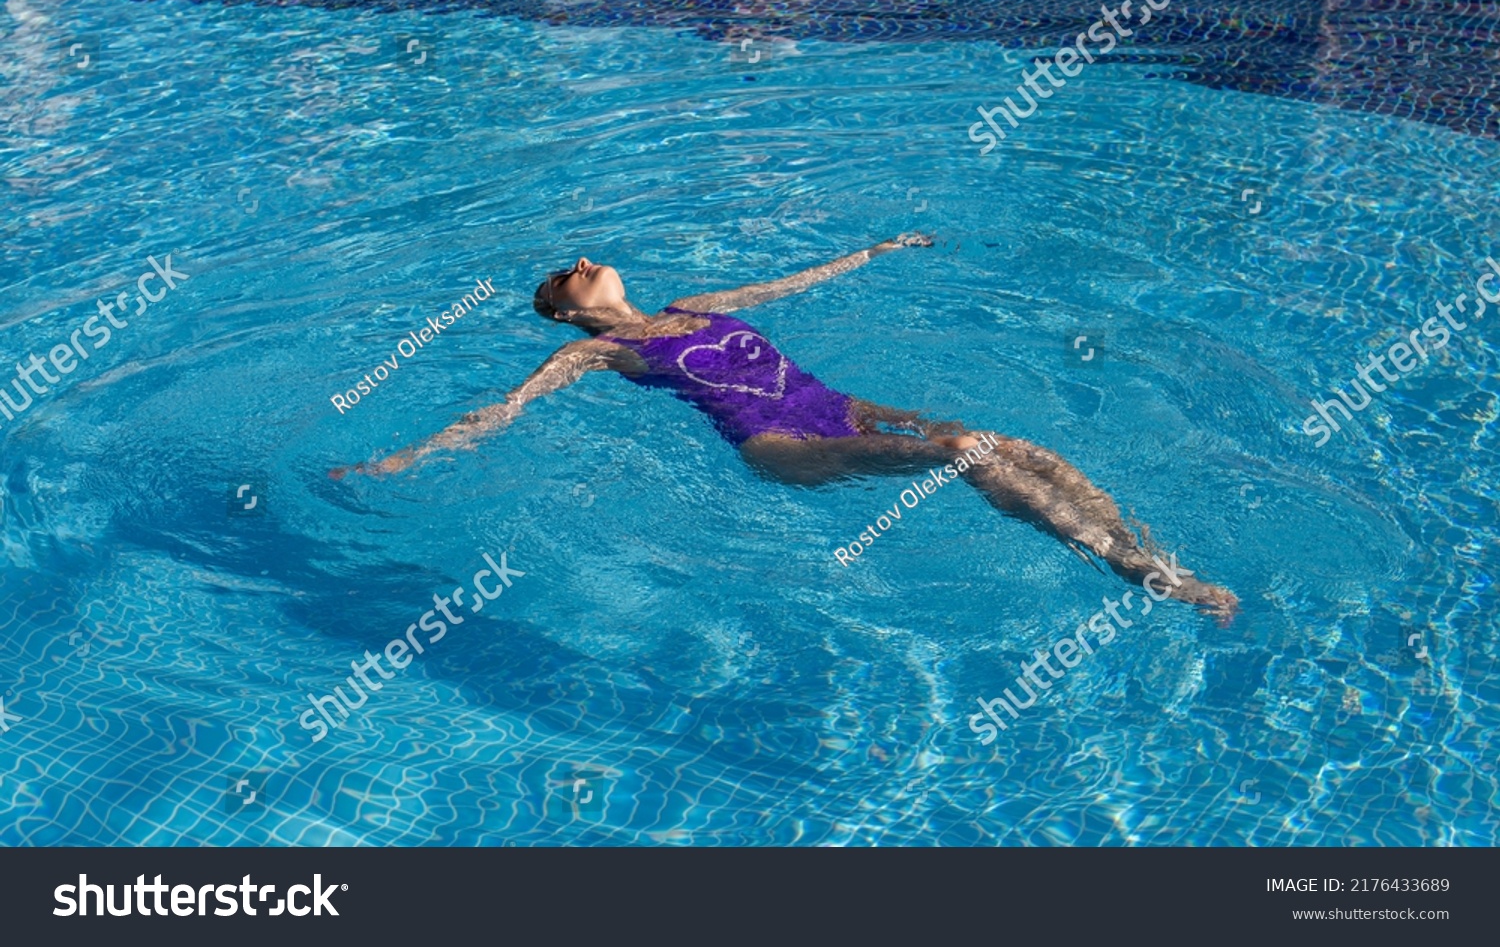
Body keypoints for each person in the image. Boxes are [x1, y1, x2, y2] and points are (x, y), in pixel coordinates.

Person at [332, 235, 1238, 616]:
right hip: (785, 445)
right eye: (564, 278)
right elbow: (505, 409)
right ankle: (1140, 573)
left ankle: (1139, 549)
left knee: (1005, 440)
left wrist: (875, 251)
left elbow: (789, 284)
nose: (580, 262)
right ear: (568, 315)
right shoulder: (591, 355)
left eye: (578, 262)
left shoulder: (695, 303)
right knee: (962, 451)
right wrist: (403, 457)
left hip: (836, 403)